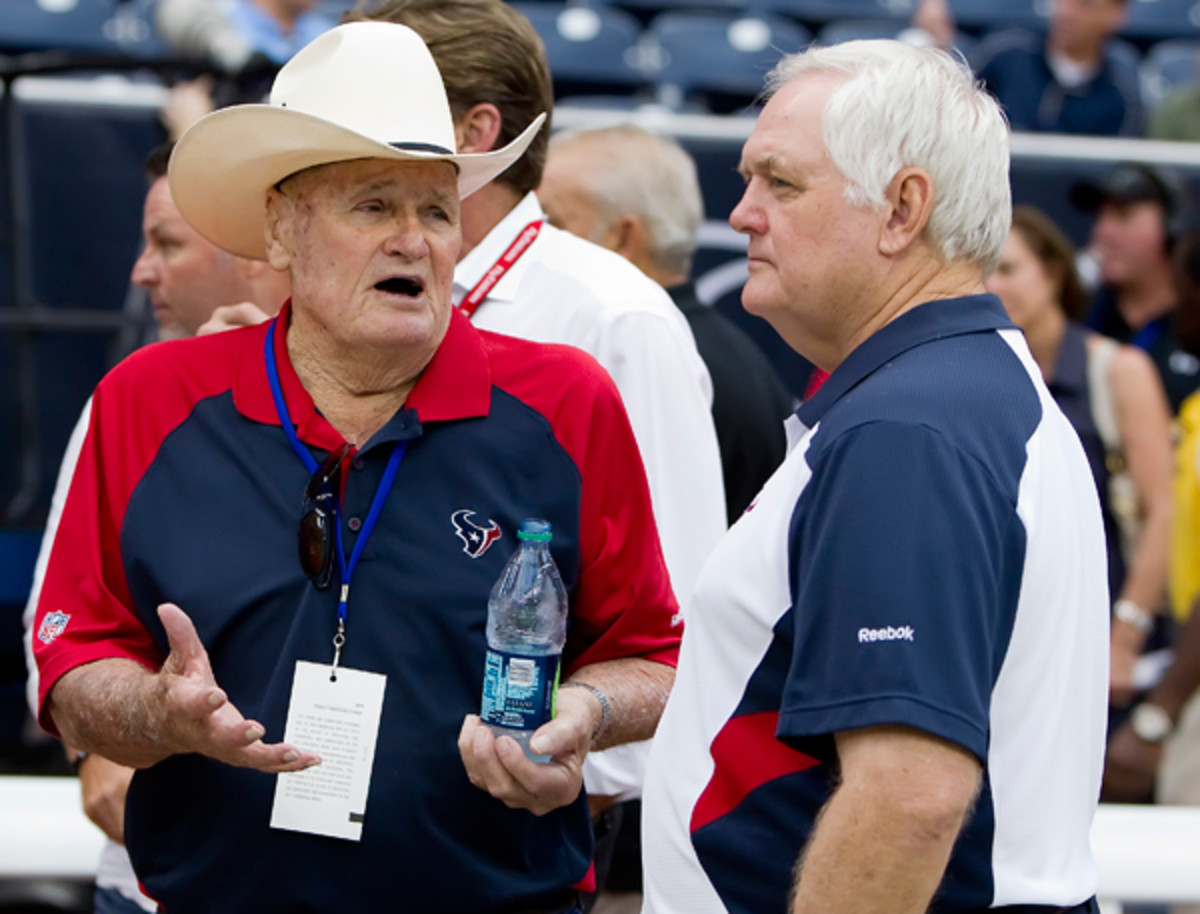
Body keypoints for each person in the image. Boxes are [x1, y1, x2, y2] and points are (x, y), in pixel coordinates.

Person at [31, 22, 680, 914]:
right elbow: (70, 667)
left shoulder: (565, 404)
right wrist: (157, 714)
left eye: (438, 210)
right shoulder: (150, 400)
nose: (414, 241)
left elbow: (651, 654)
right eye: (374, 206)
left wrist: (583, 717)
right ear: (282, 230)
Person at [642, 40, 1109, 914]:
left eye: (779, 183)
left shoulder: (909, 429)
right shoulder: (964, 393)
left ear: (902, 209)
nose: (740, 213)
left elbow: (909, 798)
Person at [347, 0, 726, 816]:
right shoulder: (355, 305)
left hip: (548, 817)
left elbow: (679, 628)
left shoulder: (613, 315)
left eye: (370, 111)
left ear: (474, 132)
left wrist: (574, 781)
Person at [22, 140, 289, 914]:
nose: (141, 271)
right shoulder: (135, 397)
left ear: (262, 250)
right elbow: (61, 625)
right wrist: (96, 744)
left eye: (167, 243)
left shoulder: (407, 396)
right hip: (157, 872)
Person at [539, 125, 794, 525]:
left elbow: (662, 550)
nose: (530, 244)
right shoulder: (718, 351)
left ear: (622, 237)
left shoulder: (646, 357)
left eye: (550, 223)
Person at [985, 205, 1172, 722]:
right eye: (980, 275)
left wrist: (1126, 638)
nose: (992, 286)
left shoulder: (1117, 370)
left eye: (1008, 269)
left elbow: (1162, 512)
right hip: (1015, 658)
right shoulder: (980, 377)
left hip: (1108, 658)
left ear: (1053, 272)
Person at [1073, 162, 1200, 412]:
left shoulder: (1193, 322)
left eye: (1123, 216)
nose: (1103, 231)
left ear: (1170, 226)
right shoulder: (1079, 315)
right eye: (1100, 217)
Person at [971, 0, 1142, 137]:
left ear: (1116, 14)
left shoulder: (1121, 95)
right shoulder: (1004, 56)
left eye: (1085, 4)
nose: (1066, 12)